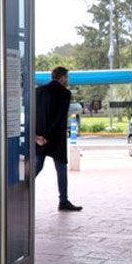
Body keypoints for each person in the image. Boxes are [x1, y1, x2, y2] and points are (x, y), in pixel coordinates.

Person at [34, 66, 82, 211]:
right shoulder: (65, 93)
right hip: (56, 138)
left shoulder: (38, 91)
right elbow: (60, 118)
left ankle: (20, 190)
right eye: (67, 77)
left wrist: (37, 136)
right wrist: (48, 137)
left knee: (37, 166)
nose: (68, 80)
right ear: (62, 78)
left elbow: (34, 114)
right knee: (61, 168)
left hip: (40, 136)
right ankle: (63, 201)